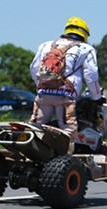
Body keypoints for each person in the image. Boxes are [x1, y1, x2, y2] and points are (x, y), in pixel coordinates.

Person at [29, 16, 102, 152]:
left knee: (35, 129)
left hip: (43, 95)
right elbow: (91, 76)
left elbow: (34, 68)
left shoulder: (46, 45)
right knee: (68, 134)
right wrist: (97, 97)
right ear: (85, 34)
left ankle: (33, 157)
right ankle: (65, 165)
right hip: (66, 98)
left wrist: (41, 86)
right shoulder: (86, 49)